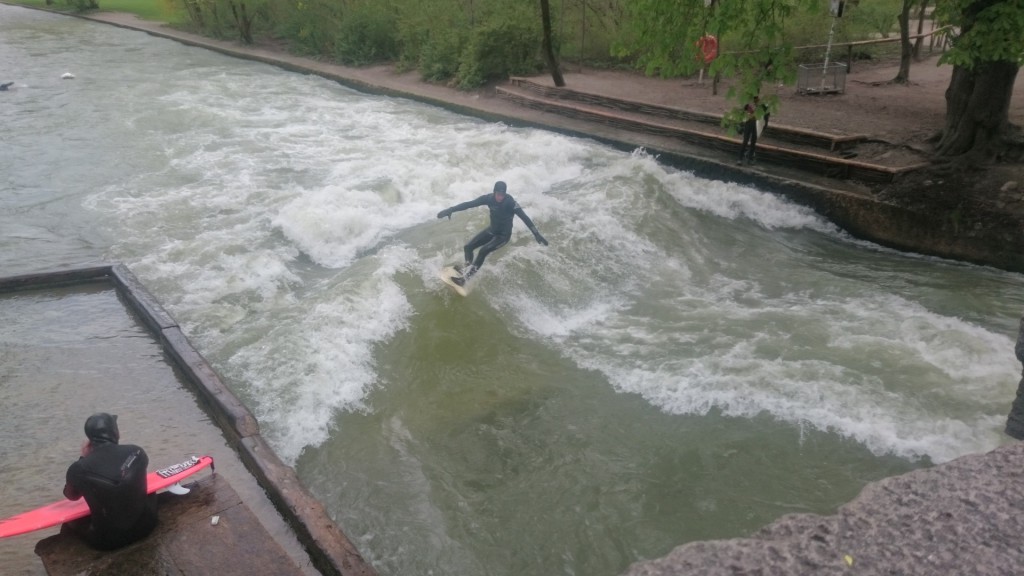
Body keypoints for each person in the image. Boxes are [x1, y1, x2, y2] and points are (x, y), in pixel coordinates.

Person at [62, 413, 158, 550]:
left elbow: (71, 496)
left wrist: (83, 458)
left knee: (71, 521)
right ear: (116, 433)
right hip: (148, 525)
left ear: (89, 441)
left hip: (108, 541)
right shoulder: (137, 451)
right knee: (148, 490)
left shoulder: (79, 468)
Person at [436, 180, 549, 286]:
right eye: (498, 194)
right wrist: (450, 209)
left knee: (483, 251)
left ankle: (465, 279)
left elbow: (525, 218)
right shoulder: (489, 198)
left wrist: (536, 234)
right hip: (492, 230)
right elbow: (469, 204)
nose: (500, 197)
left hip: (503, 236)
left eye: (502, 194)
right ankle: (466, 268)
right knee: (468, 247)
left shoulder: (510, 202)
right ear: (494, 192)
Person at [737, 96, 767, 165]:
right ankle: (739, 159)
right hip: (748, 122)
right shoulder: (748, 100)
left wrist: (758, 104)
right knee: (745, 141)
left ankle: (749, 159)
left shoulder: (758, 102)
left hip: (755, 123)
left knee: (753, 141)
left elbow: (763, 109)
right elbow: (745, 109)